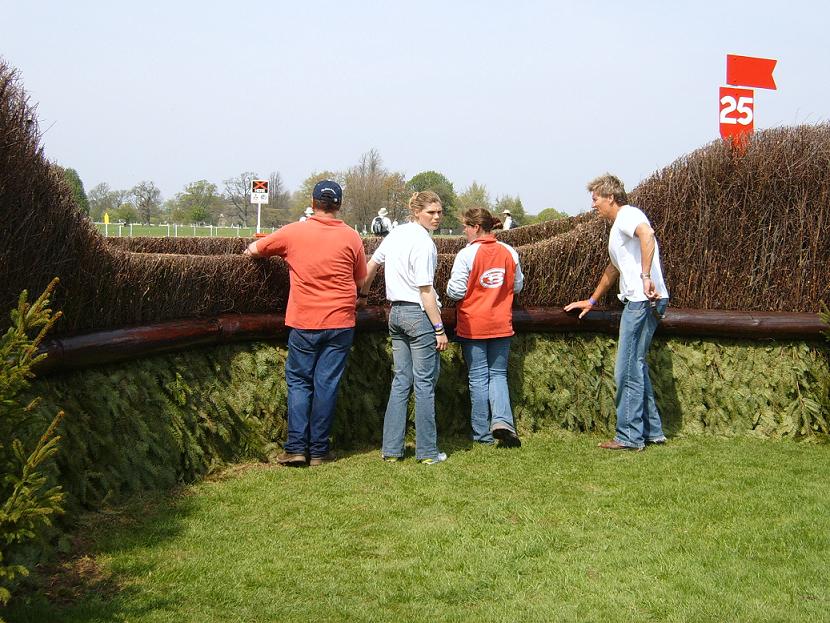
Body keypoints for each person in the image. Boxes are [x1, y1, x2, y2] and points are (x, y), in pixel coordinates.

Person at [244, 180, 367, 466]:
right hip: (340, 321)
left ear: (313, 203)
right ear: (338, 204)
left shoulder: (294, 232)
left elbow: (255, 250)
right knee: (327, 385)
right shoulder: (352, 237)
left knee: (300, 383)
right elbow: (360, 281)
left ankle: (297, 448)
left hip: (305, 320)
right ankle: (320, 451)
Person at [564, 174, 669, 451]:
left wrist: (646, 277)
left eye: (596, 198)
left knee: (626, 369)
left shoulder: (628, 215)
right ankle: (652, 431)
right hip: (645, 300)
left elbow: (648, 234)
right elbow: (613, 269)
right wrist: (592, 301)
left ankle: (630, 437)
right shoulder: (618, 226)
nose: (593, 204)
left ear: (610, 197)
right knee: (637, 365)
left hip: (641, 301)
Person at [358, 191, 448, 465]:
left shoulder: (396, 234)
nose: (436, 217)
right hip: (418, 314)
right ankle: (428, 452)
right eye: (431, 212)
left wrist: (363, 295)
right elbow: (425, 290)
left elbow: (371, 264)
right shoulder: (424, 243)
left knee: (401, 381)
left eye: (439, 212)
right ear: (417, 212)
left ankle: (391, 449)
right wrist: (439, 328)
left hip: (395, 313)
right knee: (424, 384)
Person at [447, 208, 524, 447]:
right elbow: (518, 285)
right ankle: (503, 421)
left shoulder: (466, 255)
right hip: (501, 322)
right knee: (498, 375)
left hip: (473, 324)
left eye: (466, 226)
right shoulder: (510, 251)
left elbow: (456, 291)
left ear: (477, 228)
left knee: (478, 378)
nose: (464, 231)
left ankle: (482, 434)